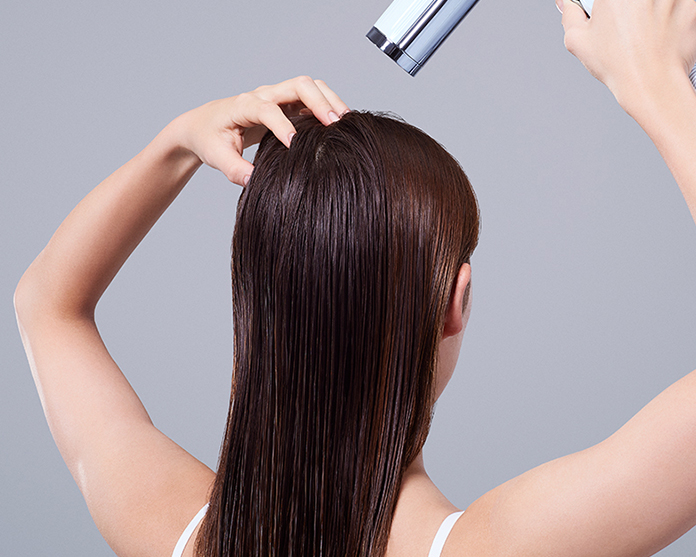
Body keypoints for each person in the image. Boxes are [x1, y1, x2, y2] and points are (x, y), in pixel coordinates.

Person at [14, 0, 696, 556]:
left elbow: (47, 304)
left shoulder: (173, 533)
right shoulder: (508, 546)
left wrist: (176, 142)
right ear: (456, 299)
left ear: (262, 298)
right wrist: (655, 83)